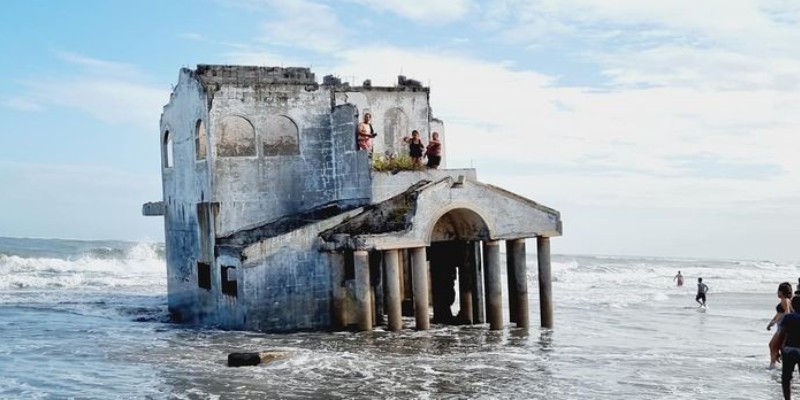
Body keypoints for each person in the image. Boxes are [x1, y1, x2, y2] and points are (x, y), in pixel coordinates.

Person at [775, 295, 800, 400]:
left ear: (792, 306)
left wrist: (777, 350)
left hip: (789, 350)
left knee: (786, 379)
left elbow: (781, 335)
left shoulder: (788, 318)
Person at [769, 282, 794, 368]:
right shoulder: (786, 300)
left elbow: (787, 313)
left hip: (783, 328)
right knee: (776, 346)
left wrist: (775, 321)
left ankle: (773, 365)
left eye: (778, 291)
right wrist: (771, 323)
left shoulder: (785, 300)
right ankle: (776, 364)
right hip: (781, 327)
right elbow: (779, 313)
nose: (777, 293)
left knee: (773, 345)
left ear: (782, 292)